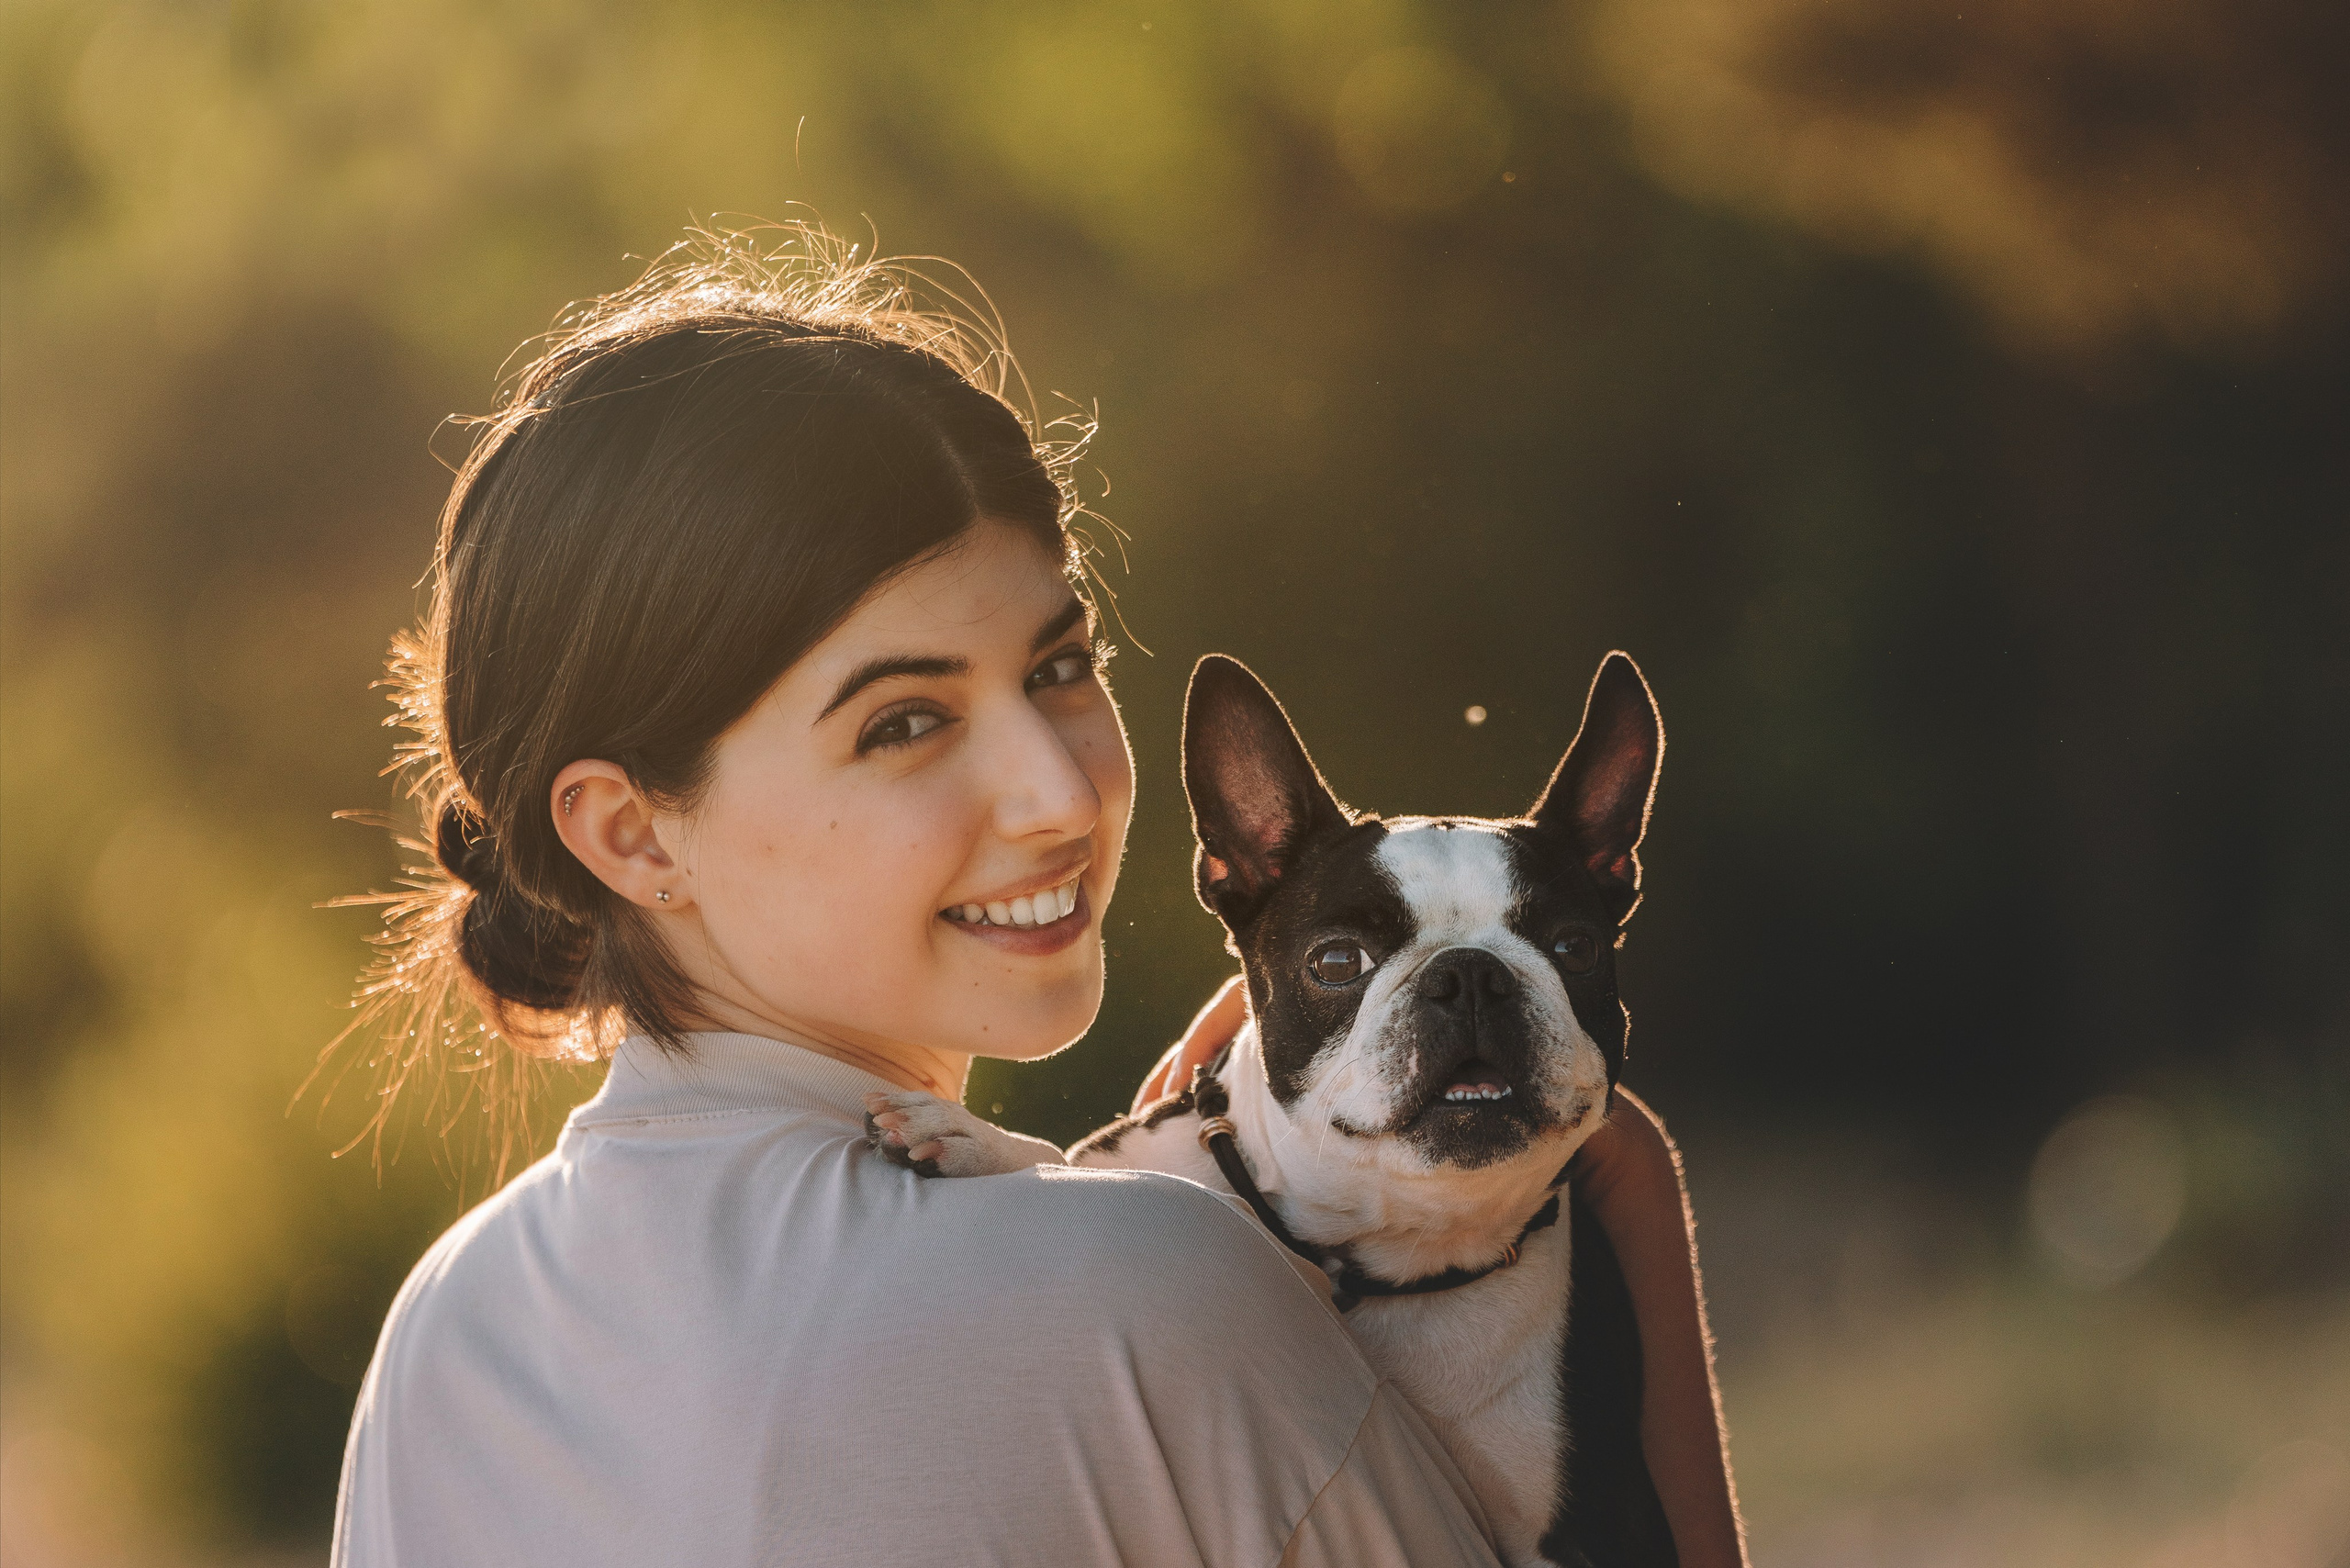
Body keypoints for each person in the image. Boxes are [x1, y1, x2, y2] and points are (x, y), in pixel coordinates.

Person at [330, 227, 1747, 1567]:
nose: (1061, 796)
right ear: (634, 836)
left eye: (1060, 668)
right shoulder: (1141, 1289)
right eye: (902, 724)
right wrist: (1617, 1178)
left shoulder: (444, 1329)